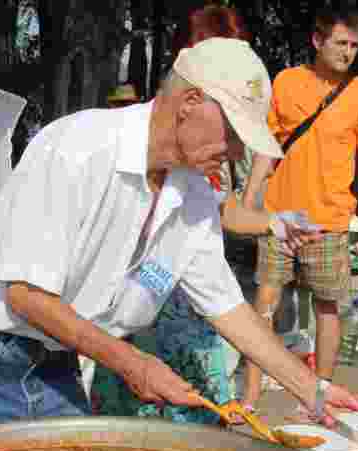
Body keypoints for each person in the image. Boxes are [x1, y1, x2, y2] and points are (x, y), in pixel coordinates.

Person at [0, 37, 358, 437]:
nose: (236, 152)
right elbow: (26, 296)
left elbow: (227, 308)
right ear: (191, 101)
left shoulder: (193, 195)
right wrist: (134, 365)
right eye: (233, 134)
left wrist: (312, 389)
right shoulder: (77, 149)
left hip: (55, 359)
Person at [90, 5, 256, 425]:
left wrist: (312, 389)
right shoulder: (154, 135)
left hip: (196, 298)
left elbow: (226, 215)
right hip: (138, 311)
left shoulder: (219, 141)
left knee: (201, 429)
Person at [238, 8, 358, 418]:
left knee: (327, 308)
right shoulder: (286, 82)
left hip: (330, 221)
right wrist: (250, 199)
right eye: (341, 43)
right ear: (317, 41)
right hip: (279, 218)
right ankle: (250, 397)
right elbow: (266, 148)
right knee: (263, 307)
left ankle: (316, 398)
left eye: (355, 45)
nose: (348, 53)